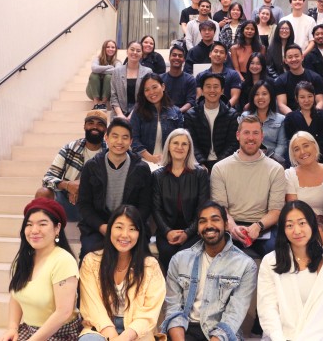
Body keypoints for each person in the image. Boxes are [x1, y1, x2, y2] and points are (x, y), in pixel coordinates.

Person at [162, 200, 258, 341]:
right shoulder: (179, 260)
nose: (209, 225)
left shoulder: (245, 265)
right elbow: (173, 308)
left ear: (226, 224)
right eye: (202, 221)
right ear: (198, 228)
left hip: (222, 334)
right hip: (185, 329)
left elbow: (234, 316)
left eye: (215, 219)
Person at [79, 205, 166, 340]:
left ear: (139, 233)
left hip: (136, 331)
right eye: (119, 227)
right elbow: (93, 306)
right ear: (110, 230)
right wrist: (112, 335)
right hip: (100, 327)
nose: (125, 234)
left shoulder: (150, 266)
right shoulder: (91, 261)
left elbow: (149, 313)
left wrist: (124, 338)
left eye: (132, 229)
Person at [0, 198, 81, 341]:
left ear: (57, 228)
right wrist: (12, 328)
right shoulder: (24, 259)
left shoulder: (63, 261)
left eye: (42, 224)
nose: (34, 230)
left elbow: (63, 312)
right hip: (30, 330)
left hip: (60, 334)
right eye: (29, 224)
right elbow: (16, 295)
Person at [257, 200, 323, 340]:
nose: (297, 231)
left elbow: (321, 315)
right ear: (283, 230)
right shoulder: (270, 262)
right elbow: (267, 309)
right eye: (289, 225)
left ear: (312, 224)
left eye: (302, 223)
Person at [77, 118, 152, 260]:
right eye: (115, 136)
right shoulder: (91, 166)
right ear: (106, 137)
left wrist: (126, 227)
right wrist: (101, 226)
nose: (119, 142)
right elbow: (84, 204)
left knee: (140, 259)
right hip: (99, 226)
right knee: (89, 254)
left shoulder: (141, 168)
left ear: (130, 142)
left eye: (125, 137)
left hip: (131, 225)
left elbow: (145, 206)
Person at [211, 115, 286, 256]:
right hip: (231, 224)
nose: (251, 138)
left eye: (255, 133)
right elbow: (220, 208)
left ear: (262, 137)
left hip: (263, 225)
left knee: (278, 253)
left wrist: (258, 226)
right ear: (238, 135)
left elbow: (276, 211)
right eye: (246, 132)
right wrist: (232, 227)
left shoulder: (276, 169)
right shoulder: (220, 168)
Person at [152, 128, 210, 272]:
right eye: (175, 143)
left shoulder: (200, 174)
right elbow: (156, 209)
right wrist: (167, 232)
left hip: (194, 230)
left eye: (184, 144)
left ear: (189, 148)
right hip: (167, 231)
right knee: (167, 253)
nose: (179, 147)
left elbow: (202, 209)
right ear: (168, 147)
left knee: (187, 255)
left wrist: (188, 233)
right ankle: (172, 292)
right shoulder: (158, 176)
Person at [42, 110, 108, 222]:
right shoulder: (70, 148)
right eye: (90, 123)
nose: (95, 127)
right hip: (69, 202)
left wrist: (82, 189)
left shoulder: (110, 153)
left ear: (106, 130)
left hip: (96, 205)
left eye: (100, 124)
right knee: (43, 192)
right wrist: (68, 185)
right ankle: (43, 232)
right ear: (84, 126)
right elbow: (47, 179)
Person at [184, 72, 239, 171]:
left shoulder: (232, 115)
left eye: (216, 86)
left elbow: (233, 144)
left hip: (225, 163)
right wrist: (201, 163)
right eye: (208, 86)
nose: (212, 90)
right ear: (202, 90)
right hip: (198, 164)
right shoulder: (191, 115)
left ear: (222, 90)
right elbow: (191, 143)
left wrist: (219, 165)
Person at [285, 131, 323, 249]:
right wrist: (318, 231)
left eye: (306, 146)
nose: (303, 152)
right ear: (293, 155)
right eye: (296, 149)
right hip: (303, 226)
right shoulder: (289, 174)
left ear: (314, 146)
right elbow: (294, 209)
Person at [130, 73, 184, 165]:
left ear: (163, 87)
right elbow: (133, 139)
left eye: (154, 87)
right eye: (147, 90)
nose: (151, 92)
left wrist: (169, 157)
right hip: (144, 162)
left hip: (171, 162)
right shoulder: (138, 111)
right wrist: (150, 158)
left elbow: (181, 139)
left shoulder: (176, 112)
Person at [284, 81, 323, 163]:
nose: (306, 100)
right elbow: (290, 146)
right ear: (296, 98)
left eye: (310, 96)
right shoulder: (290, 118)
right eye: (302, 97)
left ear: (314, 97)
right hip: (300, 163)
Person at [240, 79, 286, 158]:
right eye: (256, 94)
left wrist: (270, 161)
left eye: (264, 94)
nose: (260, 97)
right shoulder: (245, 117)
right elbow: (241, 142)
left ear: (271, 96)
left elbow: (281, 145)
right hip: (249, 159)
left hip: (273, 162)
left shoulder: (281, 119)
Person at [275, 44, 323, 114]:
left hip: (313, 116)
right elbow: (282, 104)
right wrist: (295, 118)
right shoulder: (281, 80)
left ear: (302, 57)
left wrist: (313, 115)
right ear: (285, 60)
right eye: (290, 57)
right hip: (291, 117)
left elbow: (320, 101)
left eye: (296, 56)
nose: (294, 59)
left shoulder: (315, 77)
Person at [111, 41, 152, 119]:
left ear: (142, 54)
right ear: (127, 51)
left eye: (138, 51)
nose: (135, 52)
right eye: (132, 49)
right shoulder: (117, 71)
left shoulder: (147, 72)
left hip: (140, 111)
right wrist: (120, 114)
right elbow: (113, 96)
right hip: (119, 113)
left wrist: (132, 114)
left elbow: (145, 96)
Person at [195, 42, 241, 107]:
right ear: (210, 54)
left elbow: (235, 97)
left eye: (222, 52)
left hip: (227, 112)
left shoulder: (233, 75)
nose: (218, 54)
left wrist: (223, 109)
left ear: (225, 57)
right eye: (216, 51)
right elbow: (199, 97)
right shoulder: (201, 76)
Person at [86, 39, 121, 110]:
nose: (110, 49)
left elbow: (117, 71)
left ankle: (103, 103)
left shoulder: (117, 62)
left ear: (115, 49)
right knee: (94, 75)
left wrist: (100, 70)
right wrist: (108, 67)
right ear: (104, 48)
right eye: (108, 47)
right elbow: (94, 68)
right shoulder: (98, 59)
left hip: (108, 93)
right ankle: (96, 103)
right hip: (92, 92)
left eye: (113, 47)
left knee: (109, 77)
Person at [160, 44, 196, 113]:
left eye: (180, 56)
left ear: (183, 60)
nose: (177, 58)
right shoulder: (160, 79)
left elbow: (191, 101)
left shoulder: (190, 79)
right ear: (169, 58)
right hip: (163, 114)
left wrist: (178, 112)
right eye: (174, 55)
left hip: (183, 116)